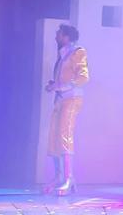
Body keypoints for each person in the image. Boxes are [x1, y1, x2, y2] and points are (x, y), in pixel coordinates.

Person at [44, 23, 89, 196]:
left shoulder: (78, 52)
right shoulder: (62, 55)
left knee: (65, 135)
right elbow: (62, 80)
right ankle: (59, 176)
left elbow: (83, 77)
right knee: (54, 136)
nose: (56, 36)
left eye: (59, 34)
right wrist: (54, 86)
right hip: (61, 100)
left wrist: (61, 87)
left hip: (72, 99)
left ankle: (69, 178)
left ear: (66, 37)